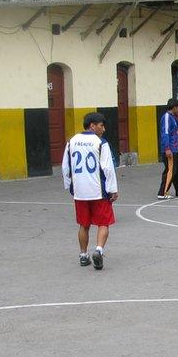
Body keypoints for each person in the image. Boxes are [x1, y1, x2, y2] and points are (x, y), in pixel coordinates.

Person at [62, 112, 119, 270]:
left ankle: (83, 255)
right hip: (98, 190)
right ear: (92, 126)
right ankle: (99, 250)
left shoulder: (71, 141)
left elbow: (65, 167)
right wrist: (113, 189)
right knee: (103, 223)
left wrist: (70, 186)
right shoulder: (101, 143)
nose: (104, 129)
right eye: (101, 126)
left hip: (80, 191)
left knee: (83, 224)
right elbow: (108, 168)